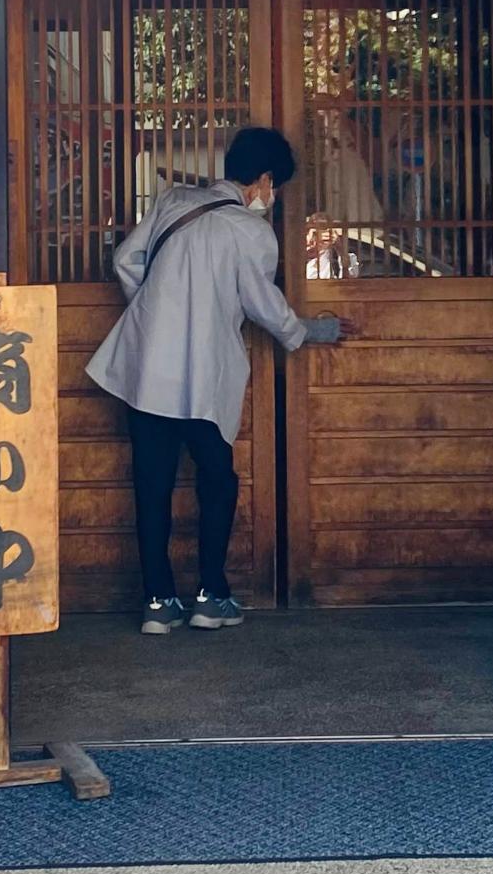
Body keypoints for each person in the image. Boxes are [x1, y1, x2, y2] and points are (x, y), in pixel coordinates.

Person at [87, 126, 356, 634]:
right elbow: (264, 306)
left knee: (152, 484)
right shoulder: (251, 232)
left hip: (147, 371)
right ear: (264, 180)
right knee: (217, 479)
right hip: (204, 375)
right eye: (274, 187)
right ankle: (211, 595)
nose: (271, 198)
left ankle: (158, 603)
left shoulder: (173, 201)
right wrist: (310, 332)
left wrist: (156, 307)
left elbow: (125, 260)